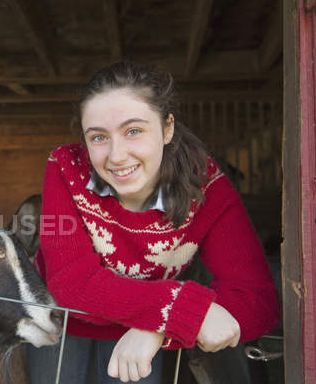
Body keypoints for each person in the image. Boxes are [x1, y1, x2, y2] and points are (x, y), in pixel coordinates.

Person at [28, 61, 280, 383]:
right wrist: (180, 310)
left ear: (167, 128)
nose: (116, 156)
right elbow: (68, 283)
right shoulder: (65, 167)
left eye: (134, 131)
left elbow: (258, 300)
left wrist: (163, 329)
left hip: (142, 327)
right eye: (98, 137)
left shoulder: (207, 188)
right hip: (58, 318)